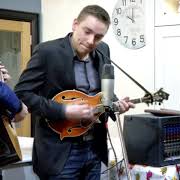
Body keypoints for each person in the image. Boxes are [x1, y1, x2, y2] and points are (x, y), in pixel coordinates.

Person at [14, 5, 135, 180]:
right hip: (60, 153)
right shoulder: (47, 52)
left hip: (95, 149)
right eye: (87, 31)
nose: (91, 41)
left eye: (98, 36)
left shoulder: (103, 50)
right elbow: (22, 93)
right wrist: (64, 110)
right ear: (75, 24)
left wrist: (116, 104)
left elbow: (102, 95)